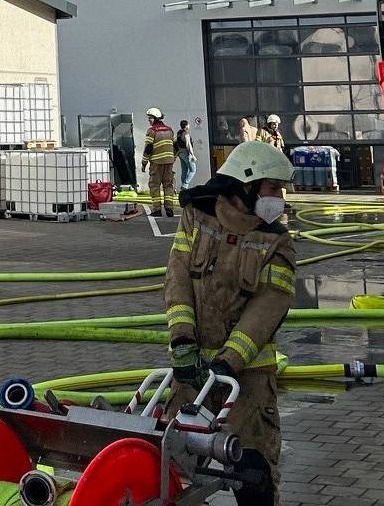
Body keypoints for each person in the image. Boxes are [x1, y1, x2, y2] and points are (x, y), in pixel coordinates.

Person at [163, 139, 294, 506]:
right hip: (190, 374)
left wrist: (227, 363)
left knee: (253, 475)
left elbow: (268, 308)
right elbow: (177, 281)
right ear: (246, 184)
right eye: (273, 187)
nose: (279, 197)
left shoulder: (276, 241)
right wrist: (182, 341)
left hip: (248, 382)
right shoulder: (197, 217)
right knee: (178, 469)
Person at [141, 108, 178, 217]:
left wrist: (144, 163)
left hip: (156, 163)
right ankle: (169, 209)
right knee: (168, 185)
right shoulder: (169, 130)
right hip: (169, 162)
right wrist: (173, 157)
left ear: (156, 118)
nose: (149, 120)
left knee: (154, 185)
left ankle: (157, 210)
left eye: (150, 118)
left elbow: (148, 148)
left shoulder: (152, 131)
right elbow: (176, 146)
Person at [175, 119, 197, 190]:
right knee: (193, 170)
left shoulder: (179, 132)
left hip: (180, 153)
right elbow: (188, 145)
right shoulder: (186, 134)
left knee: (184, 170)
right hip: (186, 153)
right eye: (188, 124)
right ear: (186, 126)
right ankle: (185, 185)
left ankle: (183, 188)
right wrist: (192, 154)